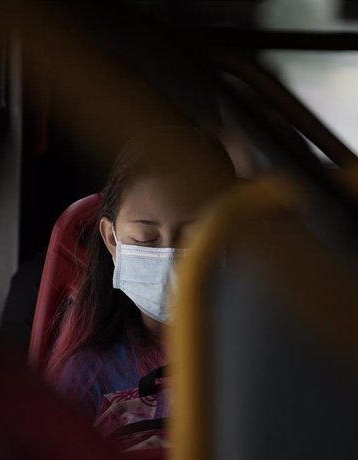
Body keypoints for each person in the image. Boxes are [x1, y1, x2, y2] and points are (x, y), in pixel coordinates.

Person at [46, 125, 237, 418]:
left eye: (194, 238)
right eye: (146, 239)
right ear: (112, 239)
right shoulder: (88, 375)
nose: (169, 256)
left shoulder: (263, 357)